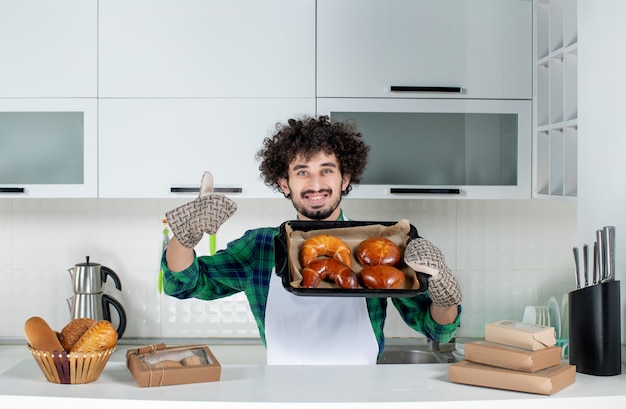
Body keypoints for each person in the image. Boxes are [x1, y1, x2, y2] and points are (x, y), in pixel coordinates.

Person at [162, 115, 462, 365]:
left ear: (344, 179)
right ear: (284, 184)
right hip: (282, 398)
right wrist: (186, 236)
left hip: (363, 397)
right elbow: (184, 283)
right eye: (302, 172)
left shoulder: (378, 249)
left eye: (326, 170)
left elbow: (437, 329)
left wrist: (443, 290)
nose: (315, 184)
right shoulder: (261, 247)